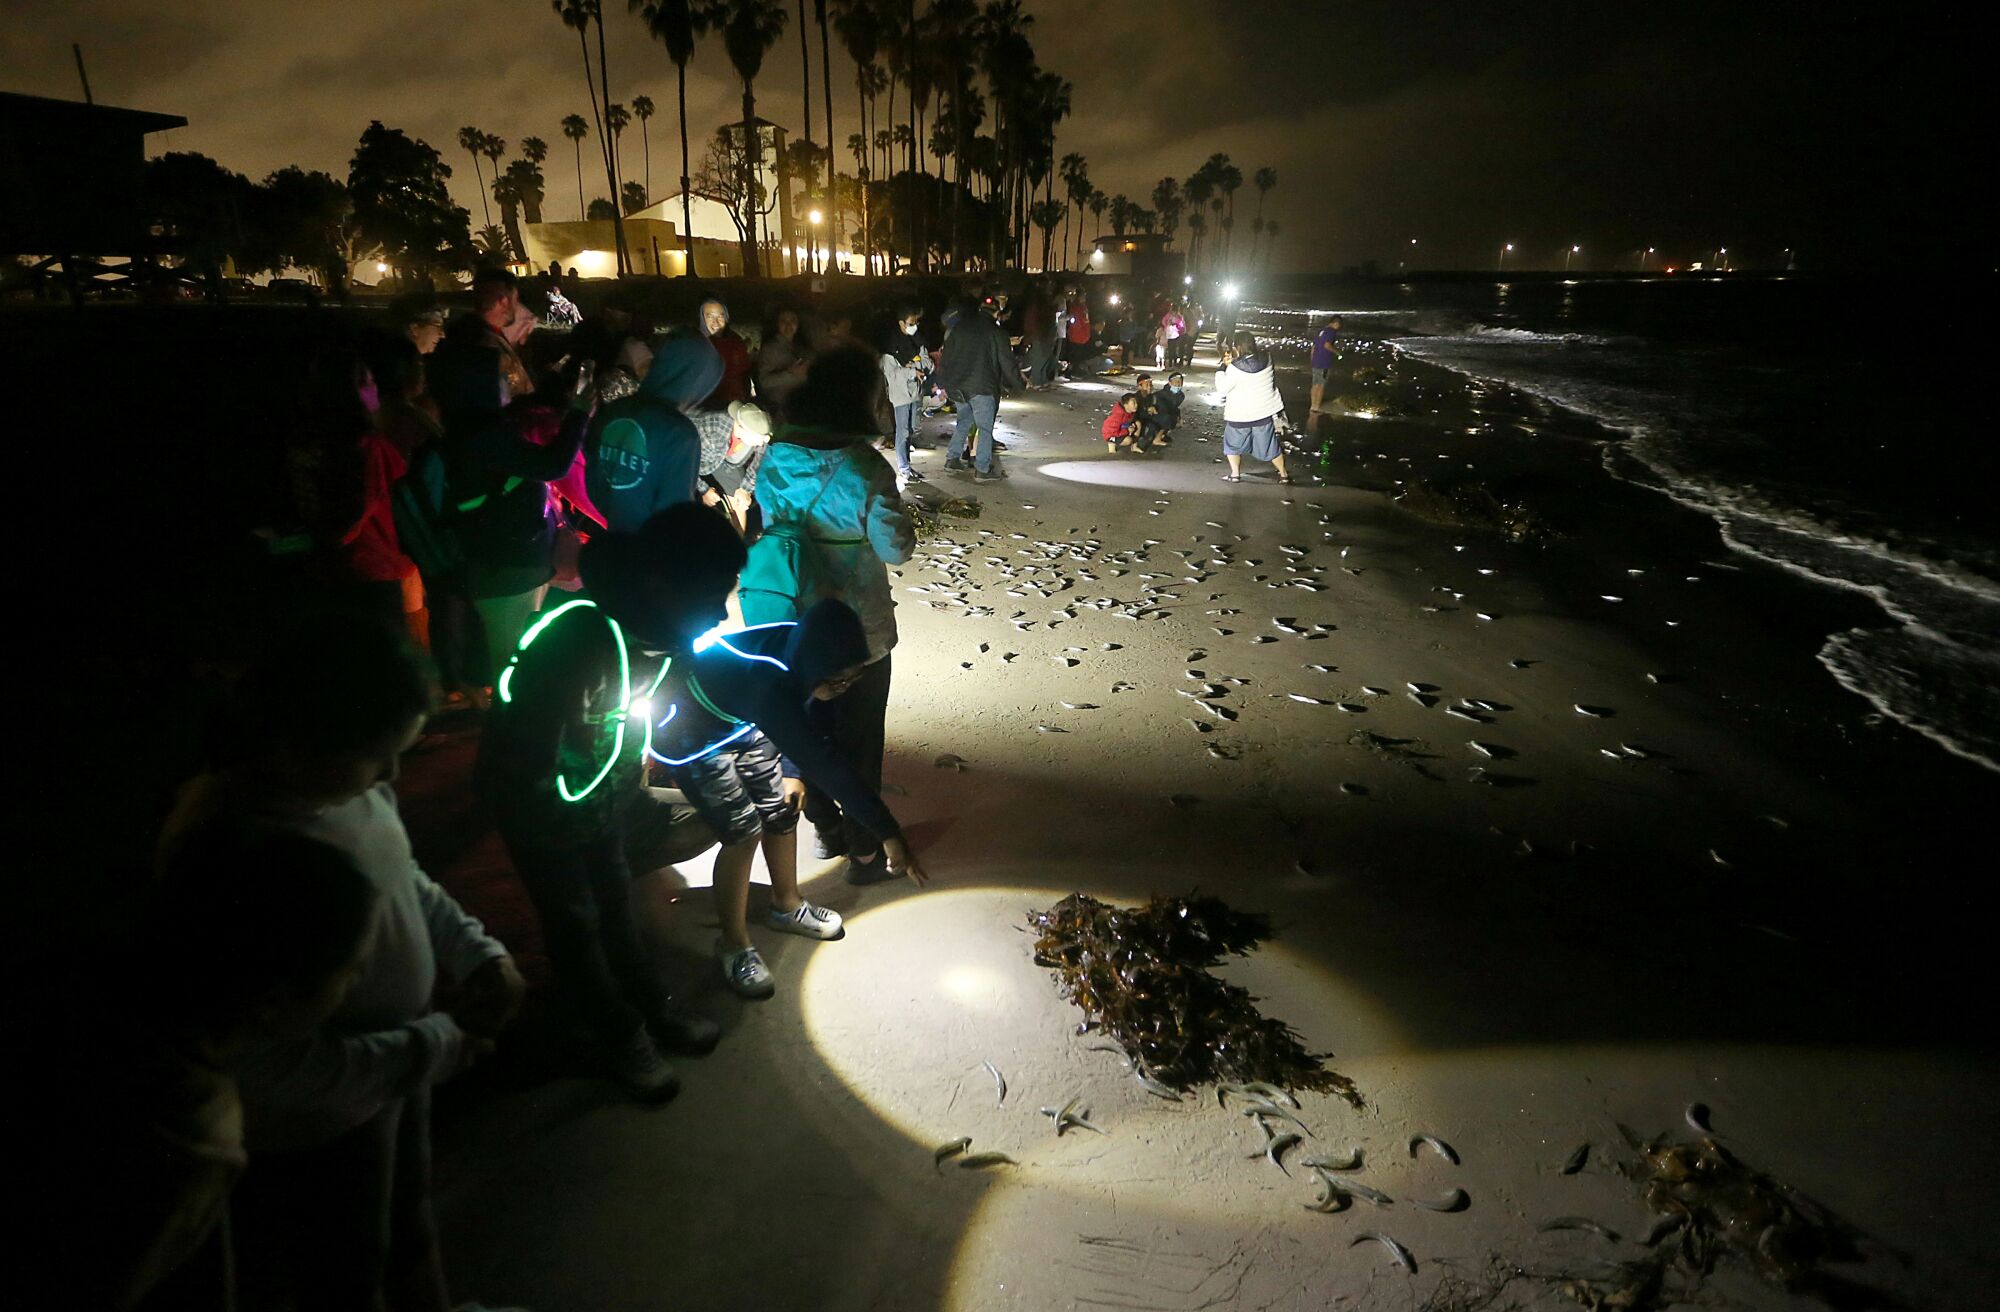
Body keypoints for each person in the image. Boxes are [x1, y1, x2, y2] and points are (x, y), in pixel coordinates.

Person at [159, 615, 525, 1312]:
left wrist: (474, 950)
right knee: (346, 1266)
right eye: (377, 754)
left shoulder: (344, 788)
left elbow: (404, 876)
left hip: (397, 1067)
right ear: (299, 737)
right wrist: (438, 1044)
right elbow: (265, 1062)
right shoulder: (228, 851)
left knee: (410, 1220)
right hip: (315, 1122)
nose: (391, 775)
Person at [29, 830, 379, 1312]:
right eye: (350, 970)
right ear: (273, 1000)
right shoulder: (190, 1131)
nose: (358, 979)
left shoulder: (77, 990)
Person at [478, 506, 743, 1095]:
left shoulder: (663, 638)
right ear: (661, 584)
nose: (721, 608)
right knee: (574, 921)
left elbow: (649, 722)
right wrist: (564, 815)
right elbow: (528, 754)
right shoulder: (575, 636)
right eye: (713, 591)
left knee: (616, 904)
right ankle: (618, 1035)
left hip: (600, 795)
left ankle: (652, 1007)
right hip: (538, 806)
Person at [651, 599, 928, 998]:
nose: (843, 689)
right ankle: (734, 945)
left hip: (747, 721)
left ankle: (787, 905)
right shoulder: (769, 683)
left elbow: (806, 718)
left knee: (783, 809)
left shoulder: (802, 655)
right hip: (694, 734)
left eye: (851, 680)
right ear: (818, 667)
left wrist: (793, 774)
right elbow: (825, 761)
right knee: (742, 830)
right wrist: (888, 832)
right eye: (838, 681)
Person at [748, 347, 915, 880]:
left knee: (807, 732)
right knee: (861, 744)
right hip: (858, 630)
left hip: (793, 620)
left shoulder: (776, 456)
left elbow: (769, 521)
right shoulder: (865, 467)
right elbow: (896, 548)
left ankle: (824, 828)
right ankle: (866, 855)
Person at [429, 331, 597, 686]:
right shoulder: (482, 438)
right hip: (504, 566)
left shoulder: (470, 432)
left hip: (506, 563)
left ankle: (516, 723)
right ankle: (509, 730)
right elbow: (553, 465)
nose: (509, 384)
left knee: (516, 657)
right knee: (509, 666)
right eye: (500, 378)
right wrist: (579, 415)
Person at [287, 349, 417, 632]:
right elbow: (355, 514)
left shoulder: (308, 443)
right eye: (366, 382)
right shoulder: (368, 447)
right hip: (373, 570)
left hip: (336, 570)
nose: (375, 388)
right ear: (346, 393)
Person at [586, 336, 722, 535]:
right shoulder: (680, 433)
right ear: (696, 380)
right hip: (651, 549)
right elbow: (676, 510)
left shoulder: (614, 409)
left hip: (608, 537)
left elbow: (592, 473)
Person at [935, 295, 1021, 483]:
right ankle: (982, 468)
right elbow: (1007, 363)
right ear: (997, 314)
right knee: (985, 427)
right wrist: (1019, 385)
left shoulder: (959, 328)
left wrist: (942, 383)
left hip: (957, 386)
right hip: (981, 387)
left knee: (964, 421)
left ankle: (952, 459)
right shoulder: (996, 333)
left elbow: (946, 357)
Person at [1216, 330, 1293, 484]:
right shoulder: (1268, 358)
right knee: (1270, 446)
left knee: (1233, 445)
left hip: (1240, 415)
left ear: (1237, 347)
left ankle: (1235, 474)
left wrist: (1222, 368)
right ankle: (1284, 474)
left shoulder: (1235, 368)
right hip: (1263, 413)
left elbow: (1222, 389)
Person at [879, 304, 930, 483]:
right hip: (900, 395)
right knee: (902, 432)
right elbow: (891, 373)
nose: (914, 326)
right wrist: (911, 371)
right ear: (901, 323)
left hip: (914, 392)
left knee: (910, 430)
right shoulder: (891, 348)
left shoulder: (916, 341)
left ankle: (908, 465)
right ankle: (904, 469)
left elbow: (927, 362)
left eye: (916, 322)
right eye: (911, 322)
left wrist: (912, 366)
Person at [471, 267, 535, 400]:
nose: (517, 308)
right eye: (516, 300)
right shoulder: (490, 347)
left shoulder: (468, 335)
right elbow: (510, 400)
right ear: (504, 301)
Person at [697, 297, 754, 409]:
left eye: (720, 316)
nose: (716, 322)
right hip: (708, 404)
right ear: (702, 318)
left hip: (736, 401)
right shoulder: (696, 344)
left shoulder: (736, 341)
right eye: (710, 317)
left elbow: (745, 373)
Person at [755, 307, 812, 418]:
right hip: (779, 409)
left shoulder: (803, 348)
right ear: (777, 324)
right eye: (783, 321)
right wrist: (789, 373)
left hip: (801, 406)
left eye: (792, 321)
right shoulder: (770, 349)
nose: (788, 325)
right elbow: (763, 382)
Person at [1309, 315, 1343, 413]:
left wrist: (1312, 359)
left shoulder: (1321, 331)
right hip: (1324, 362)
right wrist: (1338, 353)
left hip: (1316, 361)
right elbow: (1327, 345)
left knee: (1315, 384)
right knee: (1321, 385)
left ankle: (1313, 405)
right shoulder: (1331, 332)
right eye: (1339, 326)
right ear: (1336, 323)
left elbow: (1314, 347)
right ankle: (1316, 407)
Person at [1063, 287, 1094, 373]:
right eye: (1083, 295)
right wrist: (1074, 333)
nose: (1084, 297)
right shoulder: (1075, 307)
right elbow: (1074, 322)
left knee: (1079, 355)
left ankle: (1077, 370)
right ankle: (1072, 371)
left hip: (1083, 335)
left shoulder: (1084, 307)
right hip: (1077, 336)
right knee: (1075, 356)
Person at [1153, 371, 1187, 444]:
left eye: (1180, 382)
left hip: (1166, 414)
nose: (1178, 384)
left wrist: (1179, 417)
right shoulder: (1161, 395)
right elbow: (1162, 409)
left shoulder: (1181, 396)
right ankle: (1157, 438)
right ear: (1170, 383)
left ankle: (1162, 434)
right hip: (1156, 414)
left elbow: (1175, 408)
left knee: (1173, 418)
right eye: (1176, 382)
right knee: (1168, 418)